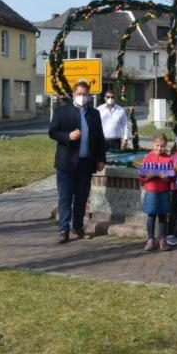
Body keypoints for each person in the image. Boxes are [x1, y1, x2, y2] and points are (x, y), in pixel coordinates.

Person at [49, 81, 106, 244]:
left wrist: (101, 158)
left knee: (82, 198)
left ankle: (78, 227)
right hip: (66, 163)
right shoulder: (62, 111)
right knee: (65, 198)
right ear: (73, 94)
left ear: (89, 96)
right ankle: (63, 230)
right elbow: (52, 132)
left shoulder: (94, 114)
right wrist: (68, 136)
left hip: (85, 163)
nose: (82, 97)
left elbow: (99, 138)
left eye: (85, 94)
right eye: (79, 94)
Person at [138, 133, 174, 251]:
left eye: (162, 146)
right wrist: (149, 176)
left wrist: (166, 178)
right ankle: (150, 239)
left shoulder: (168, 159)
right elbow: (141, 176)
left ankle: (162, 239)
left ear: (166, 146)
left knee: (163, 215)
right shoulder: (147, 157)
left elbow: (172, 177)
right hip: (151, 191)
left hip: (164, 190)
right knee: (151, 215)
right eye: (157, 145)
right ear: (153, 144)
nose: (159, 148)